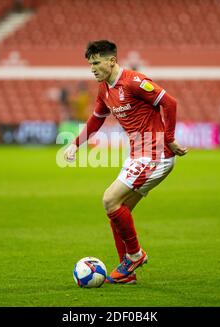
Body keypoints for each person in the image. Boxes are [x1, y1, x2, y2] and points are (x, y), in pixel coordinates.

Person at [64, 40, 187, 284]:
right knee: (119, 211)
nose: (92, 68)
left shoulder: (134, 81)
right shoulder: (104, 88)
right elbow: (96, 119)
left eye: (97, 63)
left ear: (112, 61)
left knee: (109, 199)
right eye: (90, 64)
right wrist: (75, 144)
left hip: (155, 153)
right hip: (138, 154)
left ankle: (135, 255)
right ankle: (126, 274)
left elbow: (169, 102)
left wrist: (170, 139)